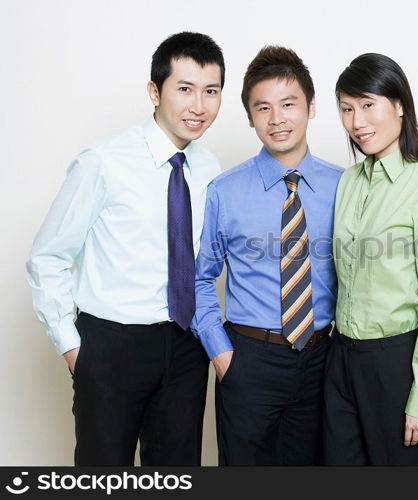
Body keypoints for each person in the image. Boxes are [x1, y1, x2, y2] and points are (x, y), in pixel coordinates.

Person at [26, 32, 225, 465]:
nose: (199, 106)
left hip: (186, 345)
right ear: (155, 92)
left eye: (211, 91)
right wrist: (74, 349)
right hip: (112, 346)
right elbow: (48, 256)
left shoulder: (209, 168)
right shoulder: (103, 161)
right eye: (185, 89)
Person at [191, 46, 343, 465]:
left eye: (289, 104)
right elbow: (200, 279)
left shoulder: (344, 187)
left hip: (322, 359)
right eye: (263, 108)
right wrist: (222, 355)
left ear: (311, 107)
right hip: (249, 359)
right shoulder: (225, 191)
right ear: (250, 117)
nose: (277, 119)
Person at [324, 53, 418, 465]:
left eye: (368, 105)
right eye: (347, 109)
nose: (357, 121)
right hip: (340, 357)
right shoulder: (348, 180)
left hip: (394, 362)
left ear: (399, 104)